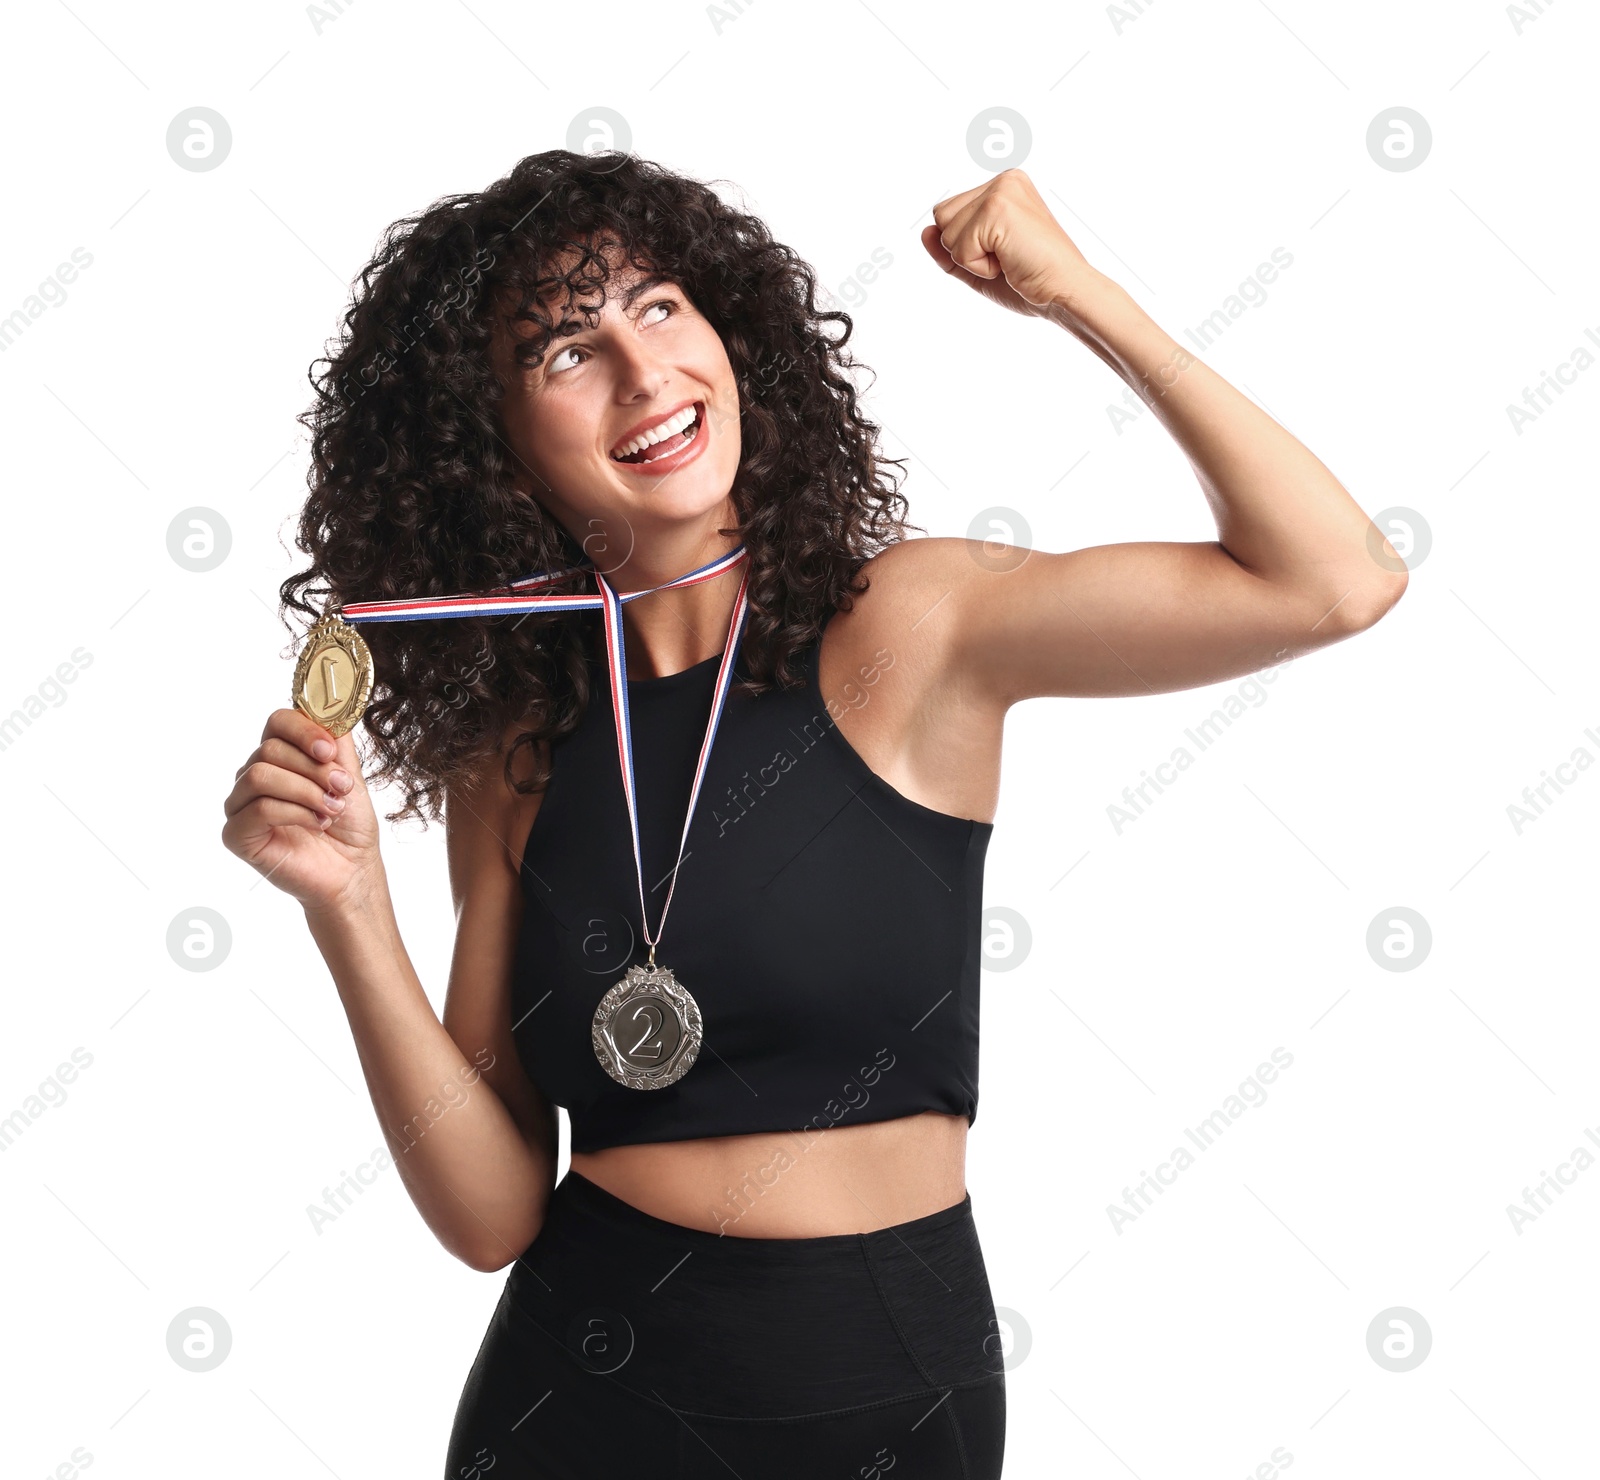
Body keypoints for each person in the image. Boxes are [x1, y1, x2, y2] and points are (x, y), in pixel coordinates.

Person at [220, 150, 1407, 1479]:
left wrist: (1082, 294)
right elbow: (493, 1214)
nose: (642, 367)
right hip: (584, 1389)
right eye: (565, 349)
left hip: (887, 1381)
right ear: (486, 447)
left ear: (735, 333)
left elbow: (1335, 580)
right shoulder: (520, 759)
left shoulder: (911, 626)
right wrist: (351, 910)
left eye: (660, 305)